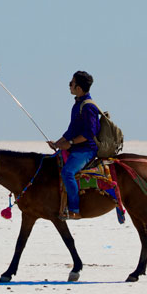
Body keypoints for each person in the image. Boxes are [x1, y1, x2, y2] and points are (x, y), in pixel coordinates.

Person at [46, 70, 100, 220]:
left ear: (79, 88)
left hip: (86, 150)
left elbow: (89, 133)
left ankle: (75, 209)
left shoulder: (88, 106)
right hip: (76, 147)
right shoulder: (77, 104)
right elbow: (71, 130)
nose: (69, 85)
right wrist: (58, 143)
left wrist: (69, 143)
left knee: (67, 172)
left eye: (72, 83)